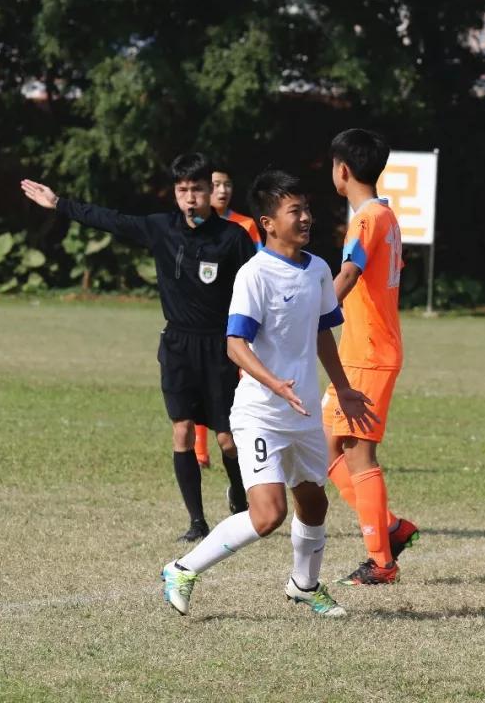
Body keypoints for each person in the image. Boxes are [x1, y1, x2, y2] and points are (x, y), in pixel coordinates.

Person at [160, 169, 378, 617]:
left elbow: (321, 332)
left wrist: (343, 387)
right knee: (268, 514)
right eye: (294, 211)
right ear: (269, 222)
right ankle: (182, 568)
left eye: (307, 209)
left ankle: (304, 584)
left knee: (314, 501)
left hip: (302, 412)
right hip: (261, 412)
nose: (306, 218)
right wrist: (274, 382)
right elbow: (235, 345)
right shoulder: (254, 275)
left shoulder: (318, 269)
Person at [20, 154, 252, 542]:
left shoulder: (233, 238)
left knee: (227, 439)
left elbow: (255, 289)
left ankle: (243, 501)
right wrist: (60, 203)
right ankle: (197, 522)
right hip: (177, 345)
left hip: (218, 348)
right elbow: (110, 218)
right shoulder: (161, 228)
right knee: (181, 431)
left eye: (197, 190)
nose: (190, 198)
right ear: (175, 193)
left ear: (212, 191)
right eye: (183, 190)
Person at [321, 128, 419, 585]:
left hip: (368, 354)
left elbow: (350, 272)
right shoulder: (385, 215)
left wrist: (313, 313)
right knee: (323, 452)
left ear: (342, 170)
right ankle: (392, 528)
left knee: (358, 457)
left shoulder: (365, 220)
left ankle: (382, 561)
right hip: (361, 350)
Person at [193, 166, 265, 469]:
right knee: (198, 383)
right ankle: (199, 453)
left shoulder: (245, 225)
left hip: (234, 314)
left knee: (236, 381)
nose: (222, 190)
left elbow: (259, 265)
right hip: (202, 318)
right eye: (216, 184)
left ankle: (242, 441)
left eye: (227, 184)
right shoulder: (192, 225)